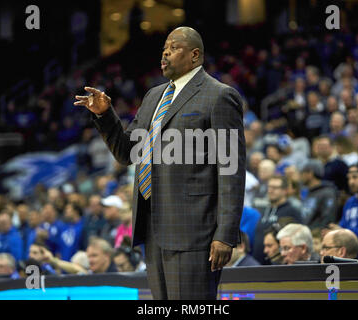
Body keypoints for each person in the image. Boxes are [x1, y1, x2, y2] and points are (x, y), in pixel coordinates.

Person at [75, 26, 246, 300]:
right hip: (153, 226)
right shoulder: (154, 96)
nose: (165, 52)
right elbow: (127, 152)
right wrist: (105, 115)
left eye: (174, 47)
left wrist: (225, 234)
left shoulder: (219, 96)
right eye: (164, 47)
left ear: (195, 55)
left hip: (195, 232)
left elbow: (231, 170)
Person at [252, 175, 302, 264]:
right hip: (258, 262)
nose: (270, 190)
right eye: (269, 187)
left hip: (278, 264)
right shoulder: (265, 210)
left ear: (285, 190)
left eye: (275, 187)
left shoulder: (292, 211)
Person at [300, 159, 337, 229]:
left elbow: (327, 218)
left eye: (302, 173)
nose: (301, 176)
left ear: (310, 173)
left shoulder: (327, 193)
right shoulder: (309, 192)